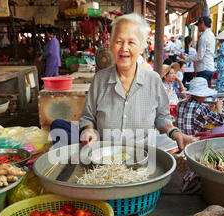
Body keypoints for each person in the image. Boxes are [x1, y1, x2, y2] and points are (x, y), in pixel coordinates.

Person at [76, 13, 194, 150]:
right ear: (111, 45)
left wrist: (175, 132)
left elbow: (162, 119)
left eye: (131, 42)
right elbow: (87, 117)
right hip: (105, 158)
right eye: (119, 41)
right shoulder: (100, 80)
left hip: (143, 159)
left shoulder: (153, 80)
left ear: (142, 47)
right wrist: (89, 130)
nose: (124, 48)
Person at [179, 16, 216, 85]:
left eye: (198, 25)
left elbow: (199, 57)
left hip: (203, 68)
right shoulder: (211, 35)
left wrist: (186, 58)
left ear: (202, 23)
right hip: (209, 67)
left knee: (200, 92)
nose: (198, 27)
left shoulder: (204, 37)